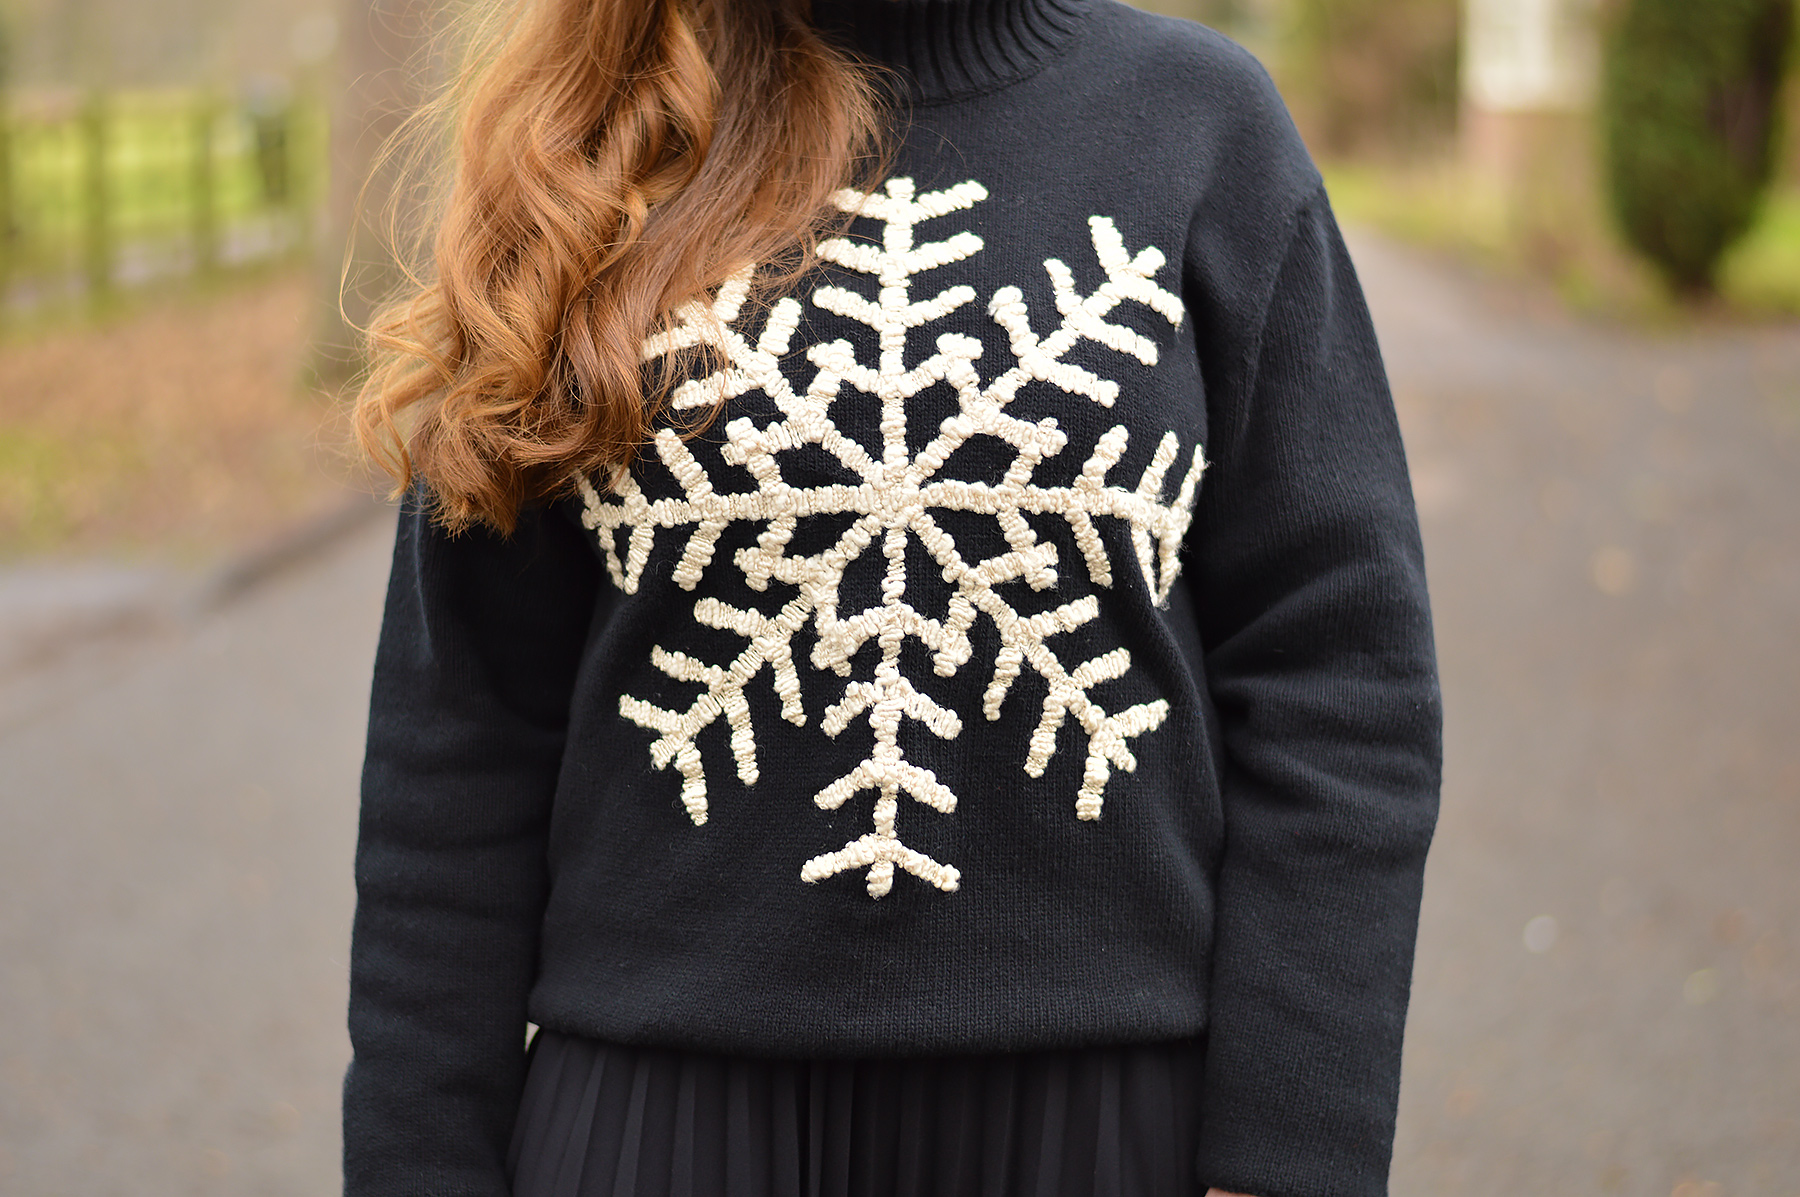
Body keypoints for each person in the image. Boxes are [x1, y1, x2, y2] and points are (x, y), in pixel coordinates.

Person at [342, 0, 1443, 1194]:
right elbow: (458, 740)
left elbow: (1340, 674)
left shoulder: (1201, 130)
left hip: (1106, 1129)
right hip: (655, 1128)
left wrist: (1293, 1152)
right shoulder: (592, 145)